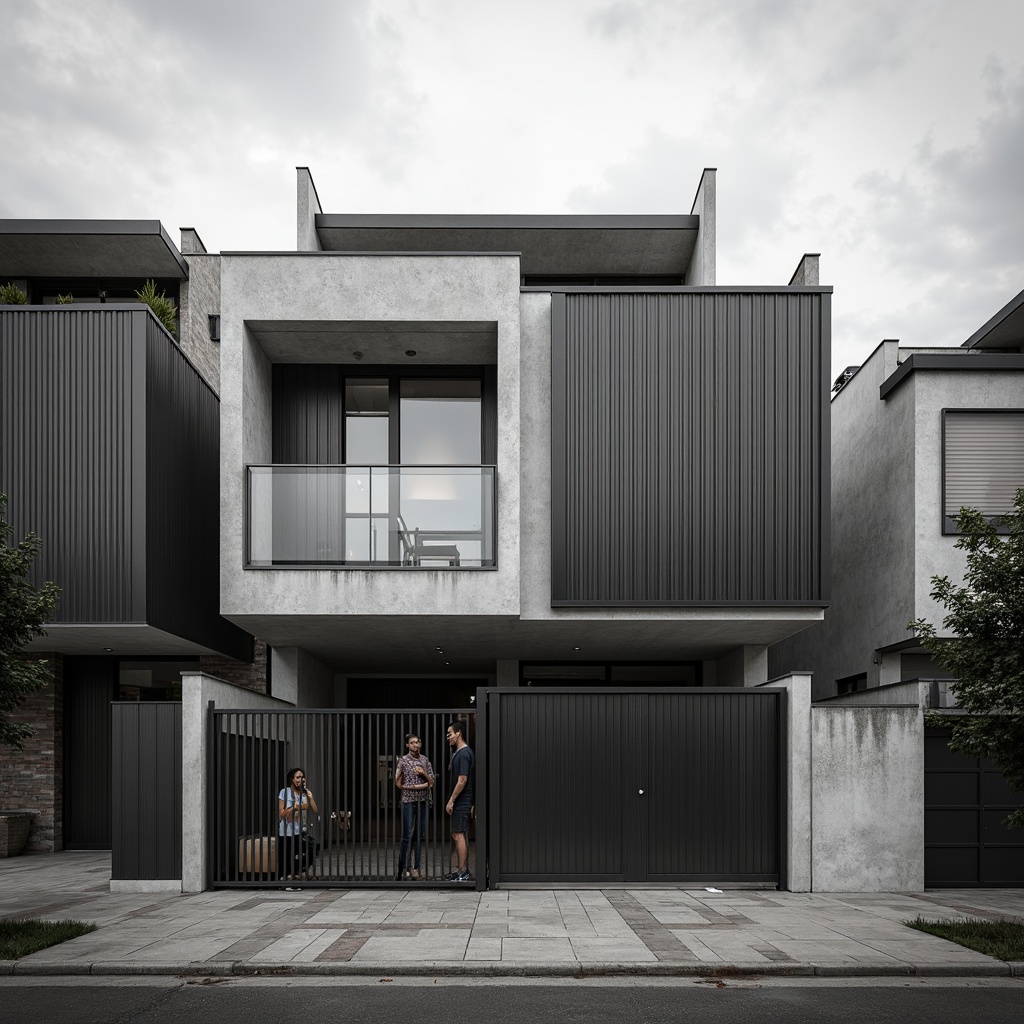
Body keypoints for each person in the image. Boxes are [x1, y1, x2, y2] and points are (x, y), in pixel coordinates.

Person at [395, 733, 435, 880]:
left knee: (419, 835)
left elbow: (431, 782)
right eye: (412, 743)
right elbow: (397, 782)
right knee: (407, 835)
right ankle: (402, 867)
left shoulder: (425, 761)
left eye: (417, 742)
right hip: (408, 801)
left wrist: (423, 773)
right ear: (407, 745)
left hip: (422, 801)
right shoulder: (403, 761)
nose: (415, 745)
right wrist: (412, 786)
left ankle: (416, 868)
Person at [277, 767, 318, 884]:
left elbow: (315, 810)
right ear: (292, 779)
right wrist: (292, 808)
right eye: (297, 777)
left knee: (313, 846)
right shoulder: (284, 792)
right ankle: (289, 877)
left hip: (299, 830)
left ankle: (299, 870)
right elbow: (281, 813)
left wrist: (311, 798)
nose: (299, 780)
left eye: (301, 777)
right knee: (288, 855)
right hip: (286, 831)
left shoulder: (304, 793)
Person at [444, 720, 474, 881]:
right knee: (457, 834)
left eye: (449, 734)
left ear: (458, 733)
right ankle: (461, 870)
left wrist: (451, 800)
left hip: (462, 801)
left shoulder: (463, 754)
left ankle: (463, 872)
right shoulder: (459, 753)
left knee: (459, 834)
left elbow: (462, 780)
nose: (448, 737)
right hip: (461, 801)